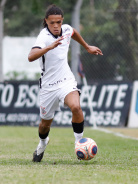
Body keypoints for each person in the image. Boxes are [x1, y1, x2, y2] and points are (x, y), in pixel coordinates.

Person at [28, 4, 103, 162]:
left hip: (66, 80)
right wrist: (48, 47)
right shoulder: (43, 36)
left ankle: (79, 143)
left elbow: (73, 32)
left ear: (62, 21)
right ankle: (43, 143)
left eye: (59, 22)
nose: (56, 26)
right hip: (48, 86)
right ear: (46, 21)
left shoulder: (66, 29)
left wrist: (87, 46)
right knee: (45, 124)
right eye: (52, 23)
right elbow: (31, 56)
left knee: (76, 107)